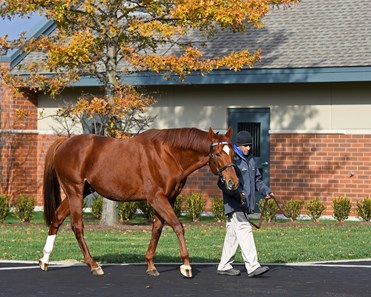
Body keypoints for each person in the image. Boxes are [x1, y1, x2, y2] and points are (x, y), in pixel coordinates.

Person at [217, 130, 274, 277]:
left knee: (233, 234)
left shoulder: (251, 160)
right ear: (238, 146)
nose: (248, 148)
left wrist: (266, 191)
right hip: (234, 203)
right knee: (244, 228)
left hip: (245, 204)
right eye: (246, 146)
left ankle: (224, 266)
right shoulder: (232, 158)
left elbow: (257, 181)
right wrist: (237, 194)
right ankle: (253, 266)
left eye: (249, 145)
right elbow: (222, 182)